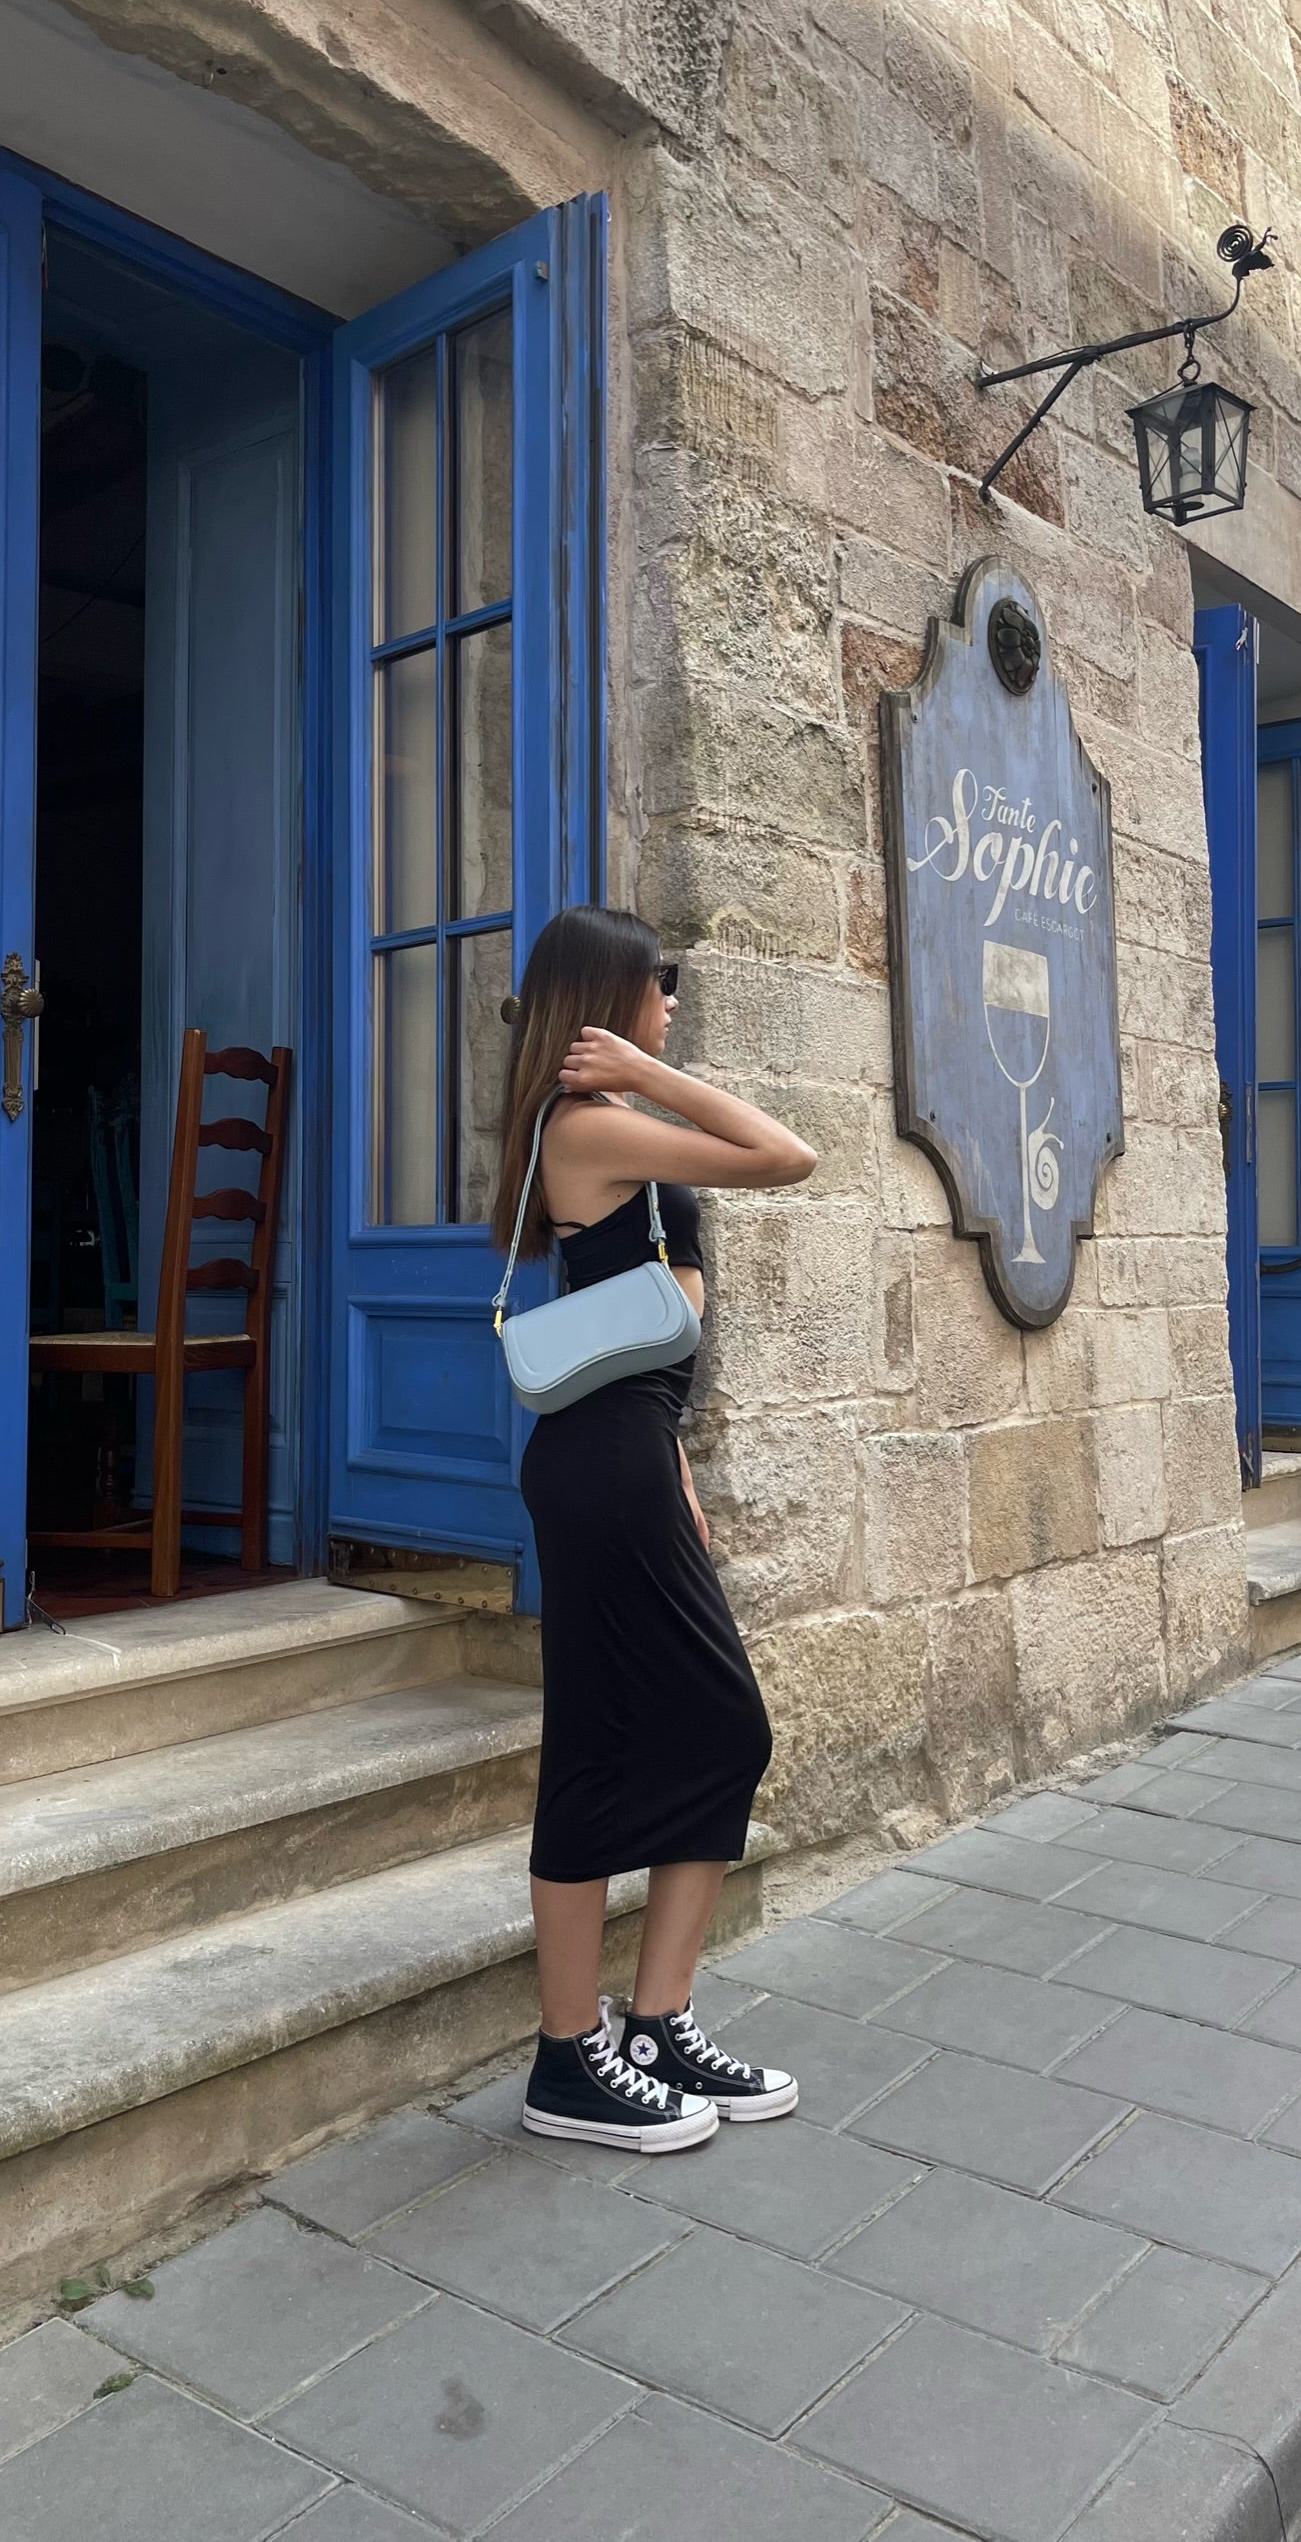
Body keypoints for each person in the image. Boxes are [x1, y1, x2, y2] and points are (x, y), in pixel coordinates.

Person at [491, 905, 817, 2151]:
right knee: (610, 1742)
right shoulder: (585, 1124)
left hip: (630, 1455)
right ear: (606, 1001)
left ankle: (658, 2023)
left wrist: (675, 1455)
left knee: (714, 1732)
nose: (671, 1000)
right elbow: (786, 1154)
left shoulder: (613, 1125)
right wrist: (648, 1073)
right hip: (599, 1467)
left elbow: (640, 1328)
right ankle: (568, 2056)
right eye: (655, 983)